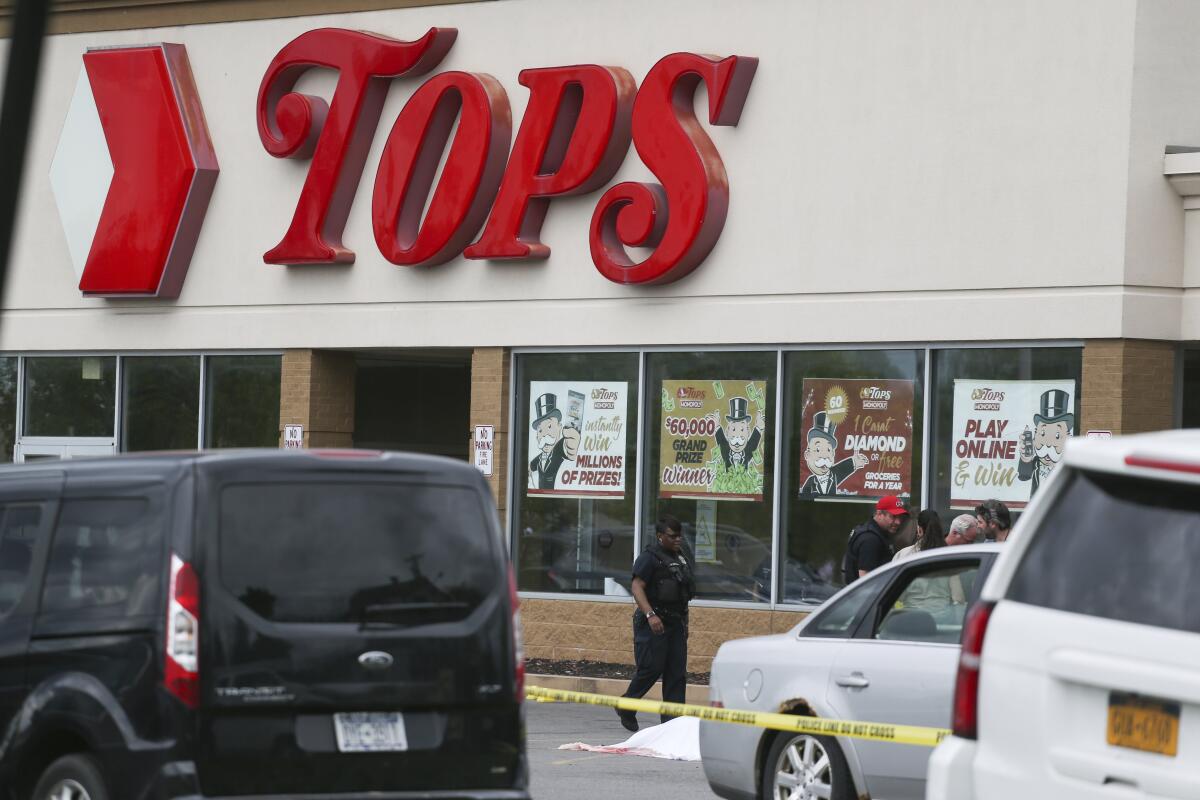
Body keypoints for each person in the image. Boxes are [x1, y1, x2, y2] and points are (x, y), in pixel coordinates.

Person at [618, 515, 695, 732]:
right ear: (660, 536)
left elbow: (682, 594)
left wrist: (685, 624)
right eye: (673, 536)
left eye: (680, 535)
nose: (678, 539)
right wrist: (651, 615)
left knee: (676, 673)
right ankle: (626, 706)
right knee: (651, 668)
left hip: (675, 623)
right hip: (653, 622)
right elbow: (637, 587)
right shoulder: (649, 558)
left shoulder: (680, 558)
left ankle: (672, 726)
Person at [842, 495, 908, 584]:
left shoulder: (876, 532)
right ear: (879, 514)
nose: (898, 522)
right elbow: (865, 581)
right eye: (893, 516)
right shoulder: (870, 539)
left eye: (900, 517)